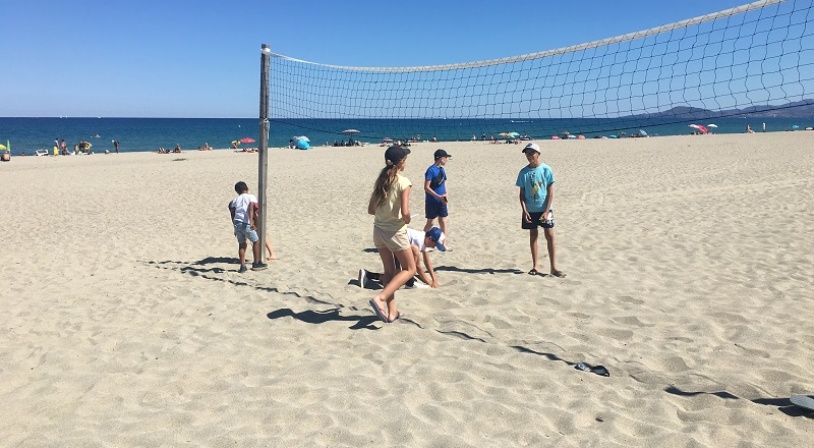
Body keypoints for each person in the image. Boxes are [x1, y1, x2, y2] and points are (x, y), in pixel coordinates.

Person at [367, 145, 415, 323]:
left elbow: (371, 209)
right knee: (410, 269)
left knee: (390, 271)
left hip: (378, 231)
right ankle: (380, 298)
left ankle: (392, 311)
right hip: (395, 232)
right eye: (405, 159)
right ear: (401, 162)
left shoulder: (381, 180)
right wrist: (408, 219)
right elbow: (405, 211)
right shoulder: (404, 182)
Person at [516, 142, 566, 277]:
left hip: (545, 209)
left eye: (532, 153)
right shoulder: (523, 172)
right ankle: (535, 266)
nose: (529, 155)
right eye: (527, 153)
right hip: (530, 210)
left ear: (538, 154)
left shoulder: (546, 170)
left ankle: (554, 267)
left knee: (550, 235)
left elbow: (550, 191)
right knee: (533, 235)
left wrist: (546, 210)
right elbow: (521, 194)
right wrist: (524, 210)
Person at [359, 226, 447, 290]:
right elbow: (417, 267)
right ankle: (410, 283)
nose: (435, 247)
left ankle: (368, 275)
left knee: (397, 276)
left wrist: (434, 279)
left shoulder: (424, 239)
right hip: (396, 242)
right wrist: (429, 282)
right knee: (401, 274)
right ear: (430, 239)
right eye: (435, 244)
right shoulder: (419, 241)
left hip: (395, 241)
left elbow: (427, 262)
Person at [228, 181, 268, 273]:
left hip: (237, 223)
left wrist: (234, 226)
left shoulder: (235, 200)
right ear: (247, 188)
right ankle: (256, 262)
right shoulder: (251, 197)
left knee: (242, 244)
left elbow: (232, 212)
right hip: (246, 222)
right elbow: (254, 210)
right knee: (256, 241)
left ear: (237, 191)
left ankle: (242, 266)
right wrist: (255, 223)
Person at [424, 149, 452, 249]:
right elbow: (426, 187)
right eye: (446, 158)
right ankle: (423, 242)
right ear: (441, 158)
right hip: (432, 201)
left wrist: (446, 194)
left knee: (443, 221)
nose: (447, 160)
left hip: (442, 201)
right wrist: (438, 196)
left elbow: (444, 183)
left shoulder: (442, 170)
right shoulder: (431, 170)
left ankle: (443, 244)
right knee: (430, 223)